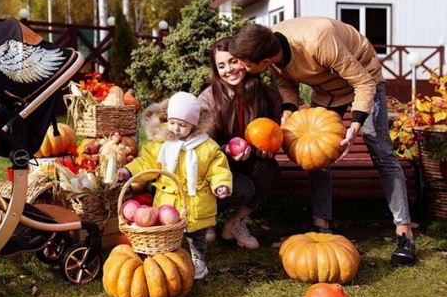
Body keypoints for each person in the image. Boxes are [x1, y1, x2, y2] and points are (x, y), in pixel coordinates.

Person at [228, 17, 416, 267]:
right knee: (316, 154)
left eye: (244, 64)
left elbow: (362, 83)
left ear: (263, 62)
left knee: (380, 151)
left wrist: (356, 123)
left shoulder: (319, 40)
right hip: (327, 90)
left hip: (365, 79)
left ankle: (405, 233)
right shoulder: (268, 47)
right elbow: (286, 83)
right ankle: (322, 224)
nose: (239, 68)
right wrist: (289, 109)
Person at [118, 91, 232, 279]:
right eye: (172, 123)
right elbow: (147, 163)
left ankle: (198, 260)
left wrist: (221, 184)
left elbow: (217, 168)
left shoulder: (206, 146)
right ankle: (168, 262)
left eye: (182, 125)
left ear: (194, 125)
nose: (176, 129)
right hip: (168, 201)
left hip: (197, 201)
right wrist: (130, 171)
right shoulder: (161, 144)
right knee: (168, 235)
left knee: (197, 236)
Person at [198, 37, 282, 250]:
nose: (229, 70)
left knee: (269, 170)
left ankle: (234, 222)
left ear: (245, 62)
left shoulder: (267, 95)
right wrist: (226, 150)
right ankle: (206, 219)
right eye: (221, 65)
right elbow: (203, 145)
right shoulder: (208, 99)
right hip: (215, 166)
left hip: (248, 160)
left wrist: (266, 150)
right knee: (243, 188)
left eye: (233, 61)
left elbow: (272, 132)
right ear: (216, 70)